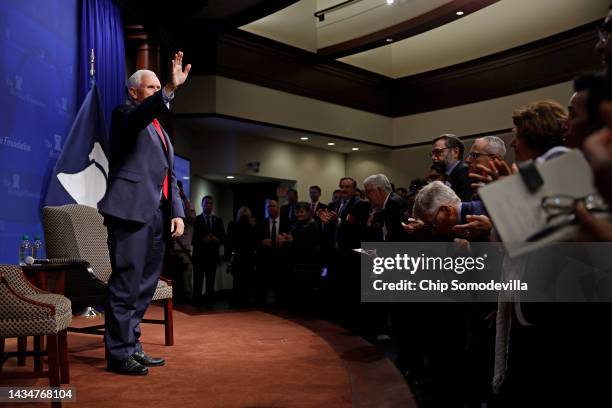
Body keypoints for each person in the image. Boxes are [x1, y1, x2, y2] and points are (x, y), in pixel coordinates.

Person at [98, 52, 190, 375]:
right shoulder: (125, 116)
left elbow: (171, 176)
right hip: (130, 213)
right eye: (149, 87)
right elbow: (142, 114)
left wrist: (177, 212)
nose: (154, 91)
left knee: (144, 287)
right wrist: (167, 90)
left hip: (158, 217)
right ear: (133, 92)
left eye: (156, 87)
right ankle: (118, 353)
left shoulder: (161, 131)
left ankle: (132, 346)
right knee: (126, 284)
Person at [192, 195, 225, 309]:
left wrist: (217, 240)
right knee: (198, 282)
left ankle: (210, 305)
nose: (209, 205)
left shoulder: (218, 220)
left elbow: (223, 238)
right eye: (206, 203)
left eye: (211, 203)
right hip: (199, 256)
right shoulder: (197, 220)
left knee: (210, 282)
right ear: (202, 205)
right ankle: (196, 304)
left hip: (212, 256)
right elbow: (193, 240)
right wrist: (203, 240)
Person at [430, 134, 472, 201]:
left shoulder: (464, 172)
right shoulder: (447, 176)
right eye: (432, 154)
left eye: (438, 152)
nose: (433, 158)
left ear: (455, 152)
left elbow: (463, 206)